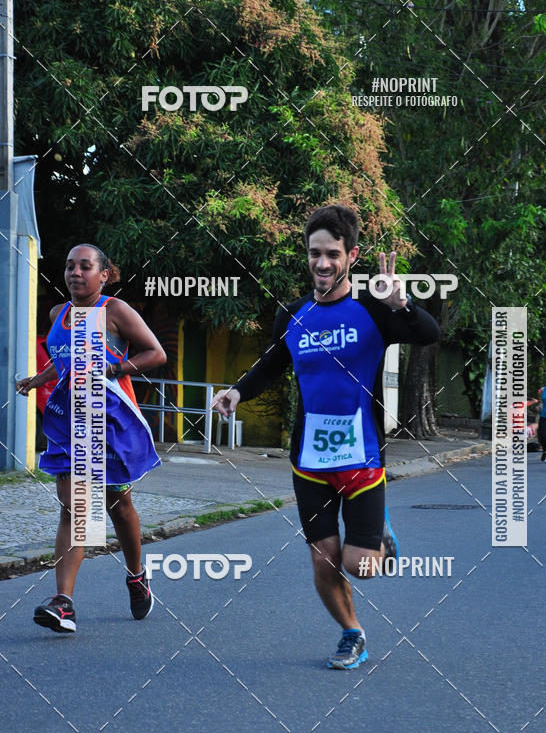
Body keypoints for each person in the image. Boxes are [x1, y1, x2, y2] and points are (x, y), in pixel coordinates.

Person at [212, 205, 440, 669]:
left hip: (362, 458)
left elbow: (430, 334)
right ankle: (352, 633)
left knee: (362, 566)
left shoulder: (373, 310)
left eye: (332, 254)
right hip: (309, 461)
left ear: (351, 255)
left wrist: (402, 303)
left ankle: (381, 535)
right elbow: (272, 365)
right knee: (323, 559)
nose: (322, 263)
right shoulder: (293, 314)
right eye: (315, 253)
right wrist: (238, 390)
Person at [16, 244, 167, 633]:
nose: (75, 273)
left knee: (118, 505)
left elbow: (156, 353)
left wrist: (116, 370)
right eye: (69, 266)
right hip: (72, 421)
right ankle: (64, 603)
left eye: (85, 266)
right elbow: (62, 360)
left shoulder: (113, 311)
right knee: (74, 507)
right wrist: (36, 380)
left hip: (111, 421)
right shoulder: (59, 314)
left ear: (104, 274)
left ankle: (137, 576)